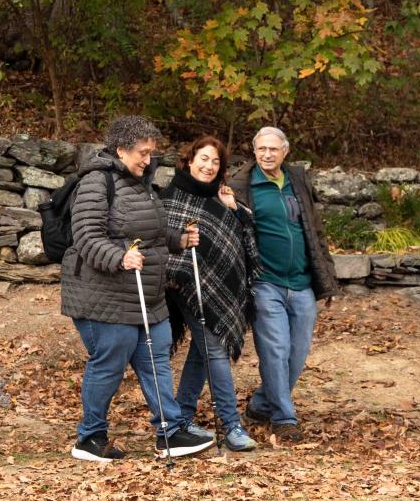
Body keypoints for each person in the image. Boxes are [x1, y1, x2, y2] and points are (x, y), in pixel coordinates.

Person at [60, 115, 215, 462]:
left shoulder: (139, 183)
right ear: (121, 150)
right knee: (109, 364)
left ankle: (170, 432)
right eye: (143, 153)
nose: (148, 160)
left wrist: (178, 239)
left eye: (151, 153)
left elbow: (151, 234)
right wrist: (120, 257)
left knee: (157, 360)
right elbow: (86, 237)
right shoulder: (96, 182)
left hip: (147, 295)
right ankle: (90, 437)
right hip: (104, 297)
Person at [225, 126, 339, 442]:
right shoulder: (240, 186)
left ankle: (261, 405)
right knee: (275, 351)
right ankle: (284, 419)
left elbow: (314, 232)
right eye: (261, 149)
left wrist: (327, 279)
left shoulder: (297, 180)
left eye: (273, 149)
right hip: (265, 283)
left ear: (285, 151)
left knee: (296, 354)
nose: (267, 154)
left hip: (301, 283)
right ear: (254, 151)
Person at [161, 136, 260, 452]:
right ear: (190, 160)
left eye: (215, 162)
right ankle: (232, 426)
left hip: (219, 288)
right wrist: (178, 270)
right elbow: (163, 242)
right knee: (215, 348)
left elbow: (244, 234)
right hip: (185, 287)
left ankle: (182, 416)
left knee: (202, 350)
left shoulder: (222, 196)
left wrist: (234, 208)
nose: (209, 166)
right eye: (203, 159)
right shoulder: (171, 195)